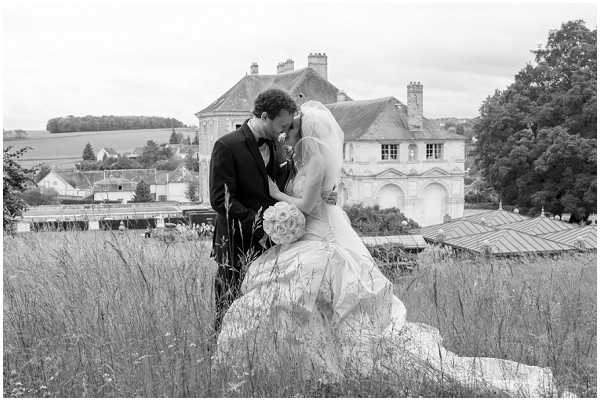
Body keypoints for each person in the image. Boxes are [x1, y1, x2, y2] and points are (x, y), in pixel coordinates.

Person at [214, 101, 558, 397]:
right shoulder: (290, 156)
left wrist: (280, 199)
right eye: (284, 127)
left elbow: (305, 200)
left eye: (291, 128)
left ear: (301, 129)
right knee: (297, 302)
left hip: (318, 237)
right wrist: (287, 209)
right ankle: (297, 363)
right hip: (295, 234)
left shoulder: (309, 157)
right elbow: (241, 196)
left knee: (311, 298)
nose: (285, 134)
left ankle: (320, 365)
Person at [209, 89, 336, 334]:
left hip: (276, 244)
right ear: (265, 116)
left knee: (263, 314)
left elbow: (289, 187)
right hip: (237, 242)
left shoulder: (279, 148)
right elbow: (220, 199)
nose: (284, 131)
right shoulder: (227, 145)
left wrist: (320, 194)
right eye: (282, 125)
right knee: (229, 306)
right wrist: (261, 226)